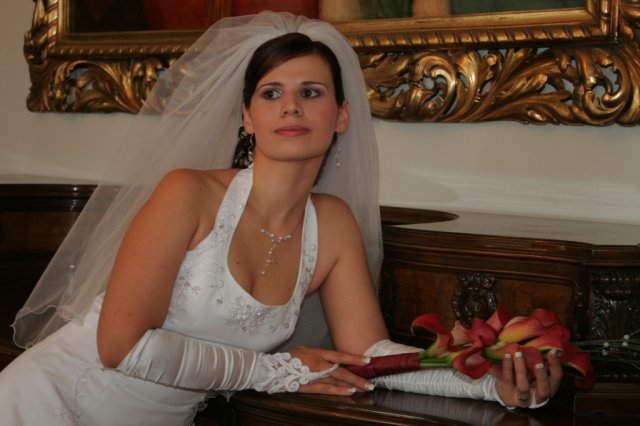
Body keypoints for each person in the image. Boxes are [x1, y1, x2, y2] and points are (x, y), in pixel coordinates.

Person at [0, 12, 562, 425]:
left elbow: (369, 356)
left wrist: (490, 382)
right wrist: (276, 371)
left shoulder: (332, 224)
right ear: (247, 117)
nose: (291, 107)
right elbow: (120, 345)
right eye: (271, 93)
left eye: (310, 92)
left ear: (341, 115)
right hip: (48, 403)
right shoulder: (187, 193)